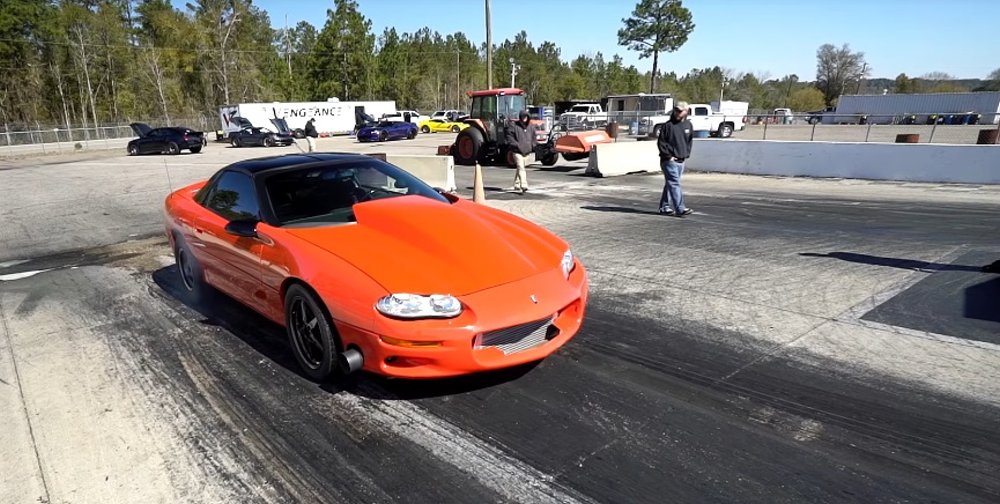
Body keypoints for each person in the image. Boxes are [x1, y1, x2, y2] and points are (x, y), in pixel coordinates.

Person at [656, 100, 694, 217]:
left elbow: (689, 141)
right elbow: (661, 143)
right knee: (674, 183)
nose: (677, 113)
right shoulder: (668, 126)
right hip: (669, 161)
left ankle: (664, 207)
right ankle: (680, 208)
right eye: (676, 110)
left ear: (686, 112)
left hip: (681, 160)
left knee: (670, 184)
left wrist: (686, 154)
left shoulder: (688, 125)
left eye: (680, 111)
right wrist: (668, 156)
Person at [505, 110, 537, 193]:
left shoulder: (531, 127)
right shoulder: (514, 126)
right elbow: (509, 137)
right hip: (516, 151)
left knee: (520, 167)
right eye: (523, 117)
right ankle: (524, 184)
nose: (524, 118)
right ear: (520, 117)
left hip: (527, 151)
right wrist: (516, 145)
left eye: (526, 117)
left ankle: (516, 184)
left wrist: (533, 145)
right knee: (521, 167)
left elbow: (534, 137)